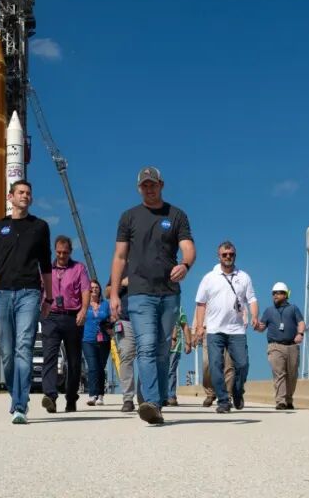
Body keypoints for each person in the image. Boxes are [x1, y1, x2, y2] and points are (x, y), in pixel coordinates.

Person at [109, 167, 196, 425]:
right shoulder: (129, 217)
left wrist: (185, 265)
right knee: (146, 346)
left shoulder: (176, 215)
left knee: (161, 349)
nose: (149, 189)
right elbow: (120, 257)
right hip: (140, 293)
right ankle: (152, 403)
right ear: (139, 188)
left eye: (153, 184)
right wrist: (114, 294)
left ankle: (154, 398)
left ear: (161, 185)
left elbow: (188, 247)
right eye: (145, 185)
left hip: (169, 293)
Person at [0, 180, 53, 425]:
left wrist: (49, 297)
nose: (25, 196)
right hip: (2, 294)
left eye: (28, 193)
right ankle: (15, 393)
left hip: (29, 293)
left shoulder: (40, 227)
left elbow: (46, 265)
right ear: (11, 197)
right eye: (21, 192)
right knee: (7, 353)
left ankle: (21, 405)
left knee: (23, 348)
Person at [193, 241, 258, 414]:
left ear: (235, 255)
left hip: (237, 330)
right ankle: (223, 400)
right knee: (215, 365)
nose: (228, 257)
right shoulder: (209, 278)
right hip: (215, 330)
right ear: (219, 256)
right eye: (224, 254)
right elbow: (201, 303)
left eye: (231, 254)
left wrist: (254, 316)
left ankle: (237, 390)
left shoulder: (244, 277)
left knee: (242, 364)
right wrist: (199, 327)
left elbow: (252, 299)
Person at [40, 235, 91, 413]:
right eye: (59, 252)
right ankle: (50, 396)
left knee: (74, 361)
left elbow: (86, 290)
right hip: (51, 317)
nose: (62, 256)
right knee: (50, 356)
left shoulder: (79, 268)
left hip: (72, 317)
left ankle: (71, 397)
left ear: (70, 252)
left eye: (65, 252)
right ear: (55, 251)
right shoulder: (47, 269)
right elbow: (39, 289)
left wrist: (83, 310)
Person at [256, 282, 304, 410]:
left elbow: (301, 322)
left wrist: (300, 334)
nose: (275, 295)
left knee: (292, 375)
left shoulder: (293, 308)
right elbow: (262, 327)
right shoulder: (269, 311)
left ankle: (288, 399)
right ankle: (280, 401)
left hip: (292, 346)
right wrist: (257, 326)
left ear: (286, 295)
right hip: (275, 346)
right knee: (279, 374)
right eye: (274, 293)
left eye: (278, 293)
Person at [109, 276, 141, 412]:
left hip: (145, 318)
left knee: (146, 357)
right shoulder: (120, 269)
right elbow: (107, 292)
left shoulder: (148, 264)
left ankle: (145, 397)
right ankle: (128, 398)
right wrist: (121, 283)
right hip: (125, 319)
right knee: (126, 356)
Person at [83, 279, 113, 406]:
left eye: (96, 287)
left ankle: (100, 394)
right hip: (87, 339)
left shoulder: (106, 304)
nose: (94, 289)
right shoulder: (84, 304)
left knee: (101, 367)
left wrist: (110, 325)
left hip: (103, 340)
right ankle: (92, 395)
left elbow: (112, 317)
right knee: (92, 367)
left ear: (99, 289)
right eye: (92, 288)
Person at [197, 326, 235, 407]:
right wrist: (195, 331)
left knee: (229, 364)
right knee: (207, 363)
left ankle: (227, 395)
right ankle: (210, 392)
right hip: (209, 330)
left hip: (229, 330)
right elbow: (198, 317)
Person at [166, 305, 192, 406]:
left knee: (171, 370)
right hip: (160, 344)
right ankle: (162, 395)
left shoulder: (179, 308)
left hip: (175, 346)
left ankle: (171, 396)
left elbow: (184, 325)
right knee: (161, 370)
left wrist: (188, 342)